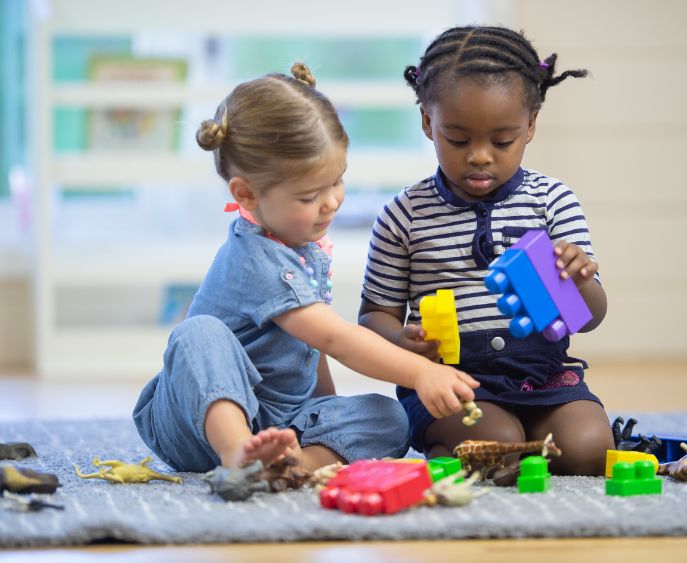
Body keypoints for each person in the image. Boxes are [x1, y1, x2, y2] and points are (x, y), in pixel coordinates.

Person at [133, 63, 479, 474]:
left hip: (279, 420)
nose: (332, 202)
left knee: (391, 418)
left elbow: (311, 348)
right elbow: (336, 338)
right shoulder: (255, 258)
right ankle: (238, 455)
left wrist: (326, 414)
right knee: (198, 333)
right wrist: (421, 372)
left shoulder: (303, 247)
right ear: (246, 193)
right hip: (195, 421)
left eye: (338, 181)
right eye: (310, 195)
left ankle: (293, 464)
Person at [358, 26, 615, 476]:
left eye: (502, 141)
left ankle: (517, 442)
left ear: (530, 125)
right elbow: (373, 316)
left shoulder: (552, 200)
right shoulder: (404, 214)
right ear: (426, 122)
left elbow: (589, 318)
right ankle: (459, 443)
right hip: (450, 381)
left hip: (544, 374)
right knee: (500, 445)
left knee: (590, 450)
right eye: (458, 140)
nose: (479, 156)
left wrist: (578, 282)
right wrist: (403, 343)